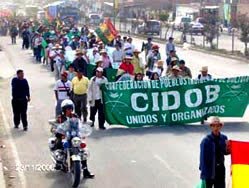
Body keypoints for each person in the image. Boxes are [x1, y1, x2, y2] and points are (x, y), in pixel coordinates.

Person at [54, 99, 95, 178]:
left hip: (74, 136)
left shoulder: (75, 116)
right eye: (67, 109)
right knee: (58, 143)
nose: (69, 110)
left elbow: (79, 125)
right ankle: (58, 161)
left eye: (70, 108)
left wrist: (82, 132)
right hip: (65, 136)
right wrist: (59, 134)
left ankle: (85, 171)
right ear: (64, 109)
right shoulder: (60, 118)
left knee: (82, 150)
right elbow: (56, 127)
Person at [199, 116, 230, 188]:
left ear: (220, 126)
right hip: (209, 170)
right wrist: (203, 174)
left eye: (218, 126)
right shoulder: (206, 141)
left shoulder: (224, 138)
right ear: (211, 127)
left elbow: (225, 152)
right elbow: (202, 158)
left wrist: (229, 148)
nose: (216, 128)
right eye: (214, 126)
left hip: (220, 169)